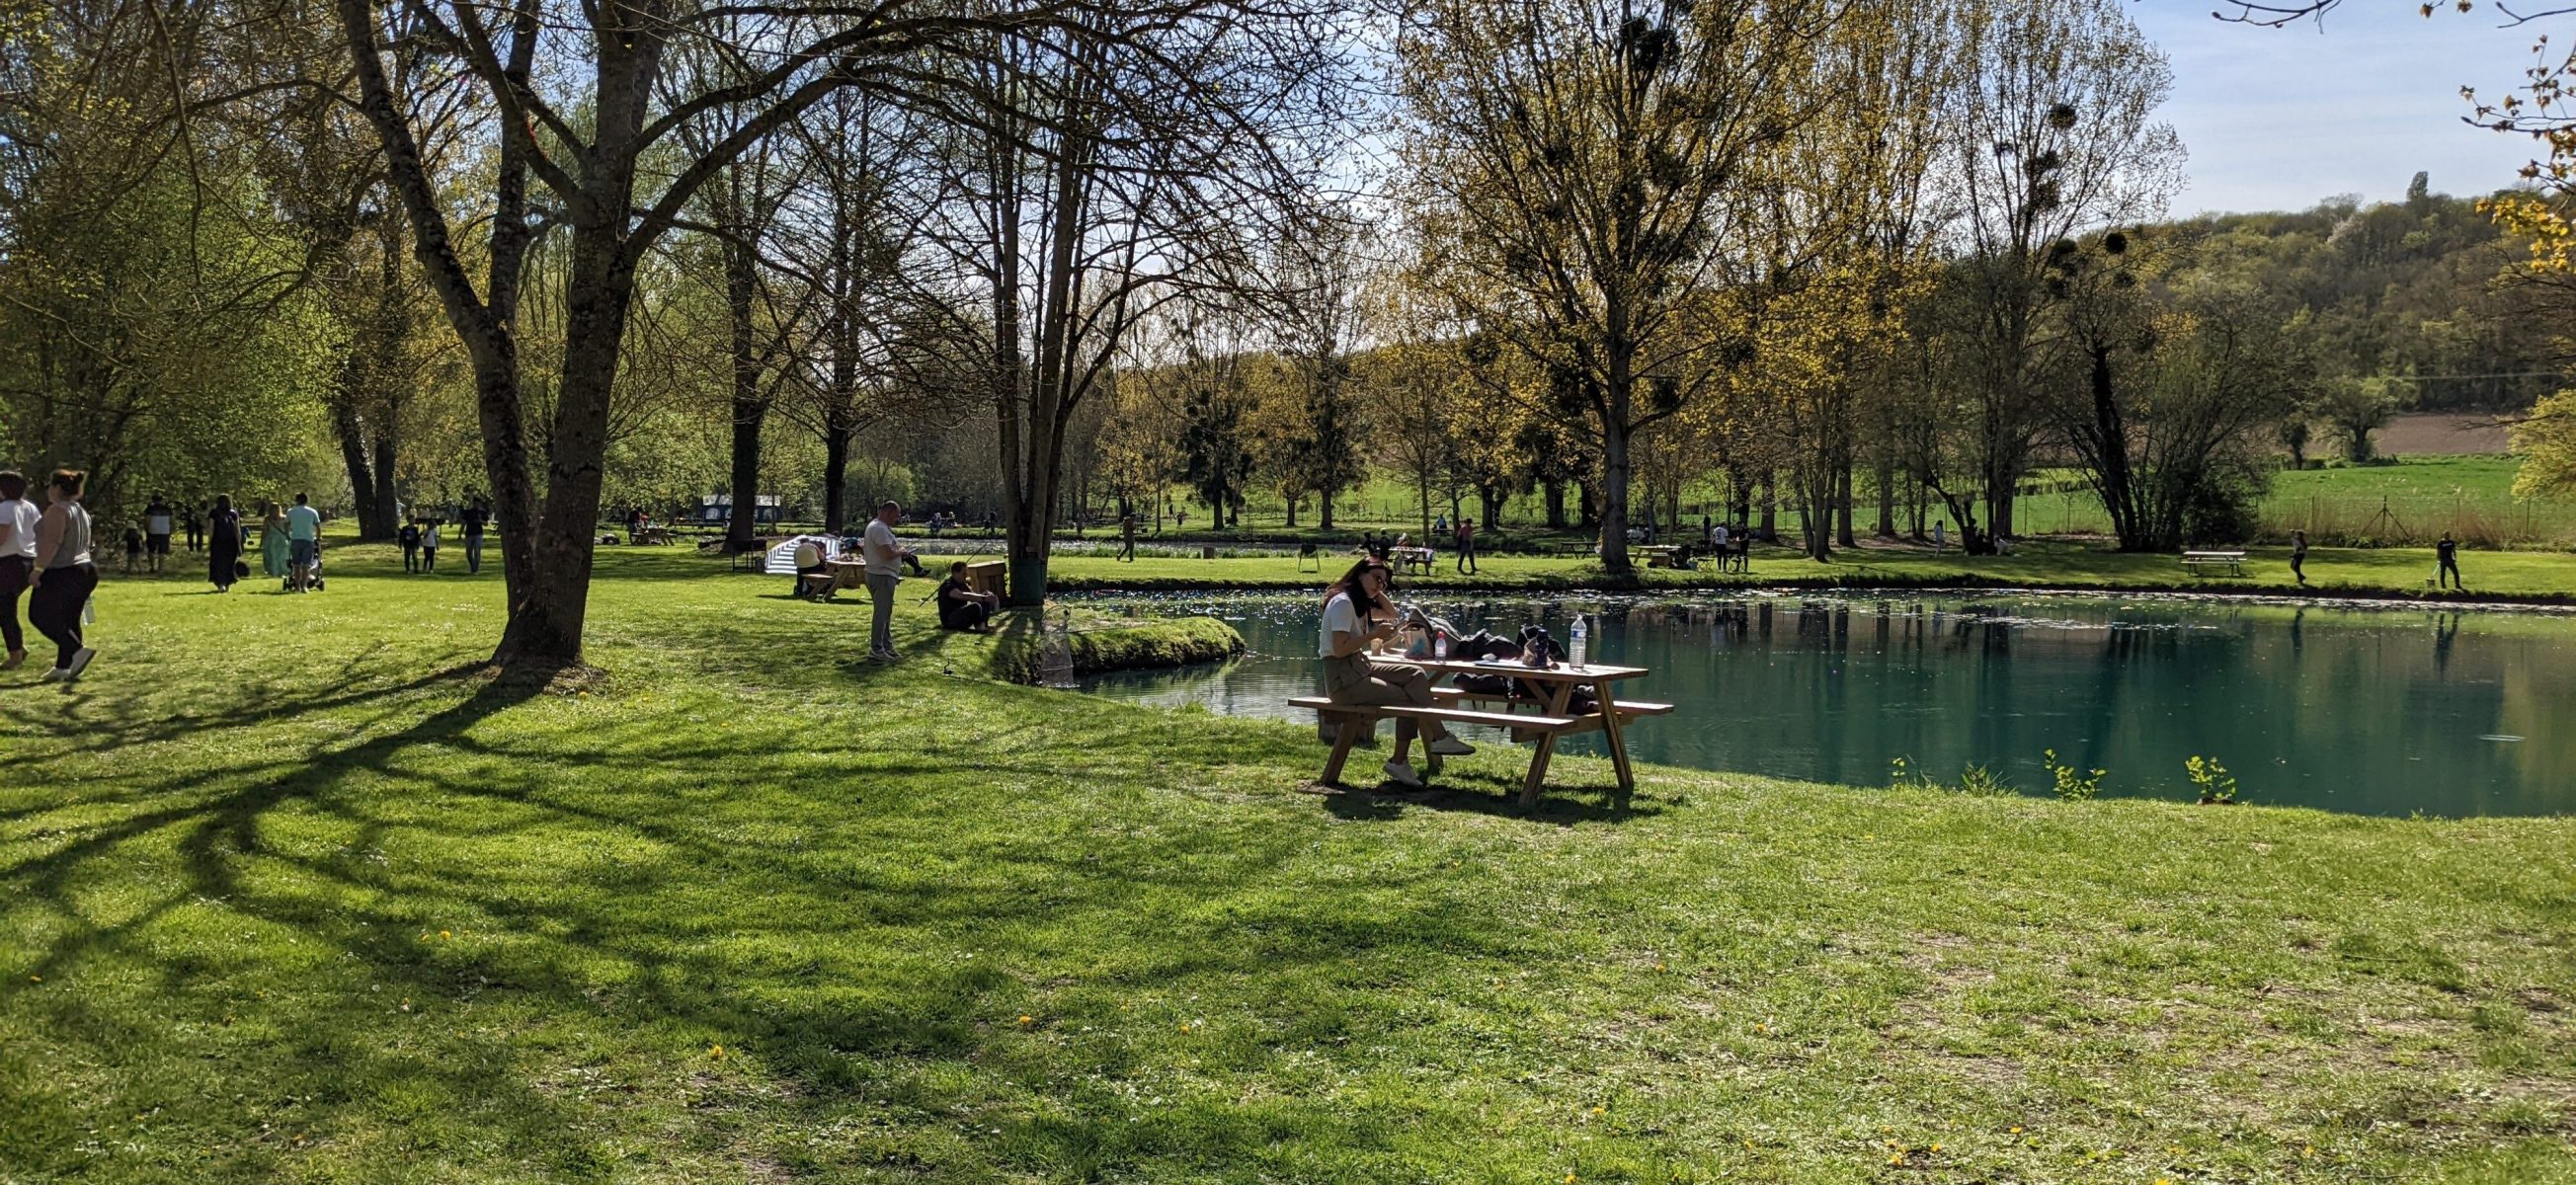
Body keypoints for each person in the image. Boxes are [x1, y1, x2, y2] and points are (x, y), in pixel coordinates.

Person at [1318, 558, 1473, 789]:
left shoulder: (1360, 603)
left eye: (1384, 582)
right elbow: (1339, 649)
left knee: (1415, 674)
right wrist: (1373, 635)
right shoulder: (1343, 604)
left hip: (1358, 667)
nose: (1380, 585)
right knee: (1409, 698)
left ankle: (1436, 741)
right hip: (1343, 680)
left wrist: (1375, 588)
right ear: (1359, 574)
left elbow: (1390, 613)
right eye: (1375, 578)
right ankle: (1412, 754)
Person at [28, 469, 100, 682]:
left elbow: (52, 542)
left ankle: (76, 650)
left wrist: (38, 569)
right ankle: (63, 666)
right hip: (84, 569)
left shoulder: (57, 510)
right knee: (69, 619)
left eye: (50, 486)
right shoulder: (80, 511)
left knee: (39, 615)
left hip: (62, 570)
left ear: (57, 488)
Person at [861, 501, 915, 662]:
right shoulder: (879, 528)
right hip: (881, 575)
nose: (897, 518)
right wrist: (902, 552)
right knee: (882, 613)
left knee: (886, 612)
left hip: (883, 574)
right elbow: (886, 554)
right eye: (896, 515)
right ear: (887, 512)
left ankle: (887, 645)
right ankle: (877, 648)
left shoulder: (879, 527)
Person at [0, 471, 32, 670]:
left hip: (8, 564)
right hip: (27, 562)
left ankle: (15, 655)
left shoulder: (4, 508)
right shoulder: (29, 507)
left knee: (5, 611)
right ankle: (18, 647)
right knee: (5, 609)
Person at [935, 561, 1001, 632]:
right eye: (964, 573)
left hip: (961, 617)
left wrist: (984, 596)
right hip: (950, 620)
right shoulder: (948, 585)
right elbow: (961, 595)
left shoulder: (962, 584)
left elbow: (973, 597)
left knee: (983, 601)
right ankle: (980, 628)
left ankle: (984, 625)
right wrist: (983, 597)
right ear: (955, 573)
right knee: (976, 606)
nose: (966, 576)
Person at [284, 492, 322, 592]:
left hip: (295, 540)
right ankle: (304, 586)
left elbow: (286, 525)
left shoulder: (291, 512)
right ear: (306, 500)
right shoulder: (312, 512)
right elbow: (318, 526)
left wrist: (287, 535)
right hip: (308, 540)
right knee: (306, 565)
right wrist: (318, 537)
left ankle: (297, 586)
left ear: (296, 500)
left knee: (296, 565)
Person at [206, 495, 241, 592]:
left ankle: (221, 583)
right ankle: (228, 582)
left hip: (218, 540)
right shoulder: (234, 513)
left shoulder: (214, 513)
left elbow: (211, 529)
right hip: (231, 541)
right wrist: (239, 544)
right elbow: (237, 530)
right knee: (229, 563)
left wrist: (209, 542)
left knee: (218, 562)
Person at [261, 502, 291, 580]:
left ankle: (274, 572)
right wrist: (288, 538)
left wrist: (262, 540)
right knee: (281, 557)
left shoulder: (267, 519)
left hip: (271, 539)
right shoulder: (284, 518)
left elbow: (265, 531)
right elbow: (287, 530)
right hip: (281, 539)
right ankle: (281, 572)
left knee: (272, 556)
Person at [143, 495, 172, 573]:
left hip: (152, 531)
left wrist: (146, 529)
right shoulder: (168, 509)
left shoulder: (150, 509)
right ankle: (160, 568)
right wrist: (170, 530)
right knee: (162, 551)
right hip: (164, 531)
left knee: (151, 550)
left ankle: (152, 567)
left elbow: (147, 520)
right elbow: (172, 521)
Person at [462, 499, 489, 574]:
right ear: (473, 503)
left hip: (478, 534)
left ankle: (475, 569)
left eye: (478, 503)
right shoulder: (468, 512)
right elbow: (464, 522)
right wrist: (460, 534)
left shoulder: (482, 512)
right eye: (475, 503)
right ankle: (472, 566)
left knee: (477, 551)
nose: (477, 505)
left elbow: (486, 524)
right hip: (469, 533)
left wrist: (481, 521)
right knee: (469, 553)